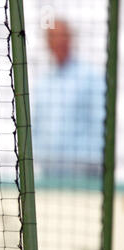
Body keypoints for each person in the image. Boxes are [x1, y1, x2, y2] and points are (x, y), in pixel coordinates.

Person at [31, 19, 105, 180]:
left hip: (84, 173)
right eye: (53, 37)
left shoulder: (90, 77)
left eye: (63, 36)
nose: (59, 42)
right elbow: (35, 124)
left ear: (71, 39)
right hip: (49, 172)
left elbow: (101, 123)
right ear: (47, 42)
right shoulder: (43, 82)